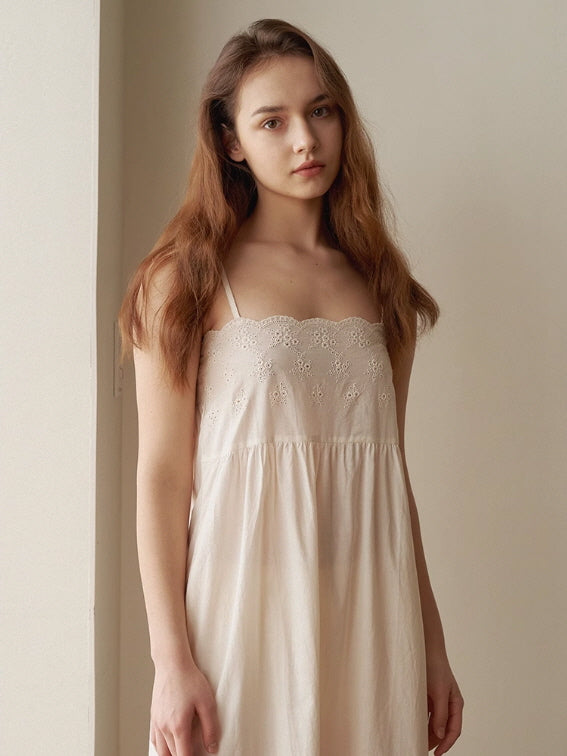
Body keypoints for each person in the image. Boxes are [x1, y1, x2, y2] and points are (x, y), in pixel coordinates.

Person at [119, 17, 464, 756]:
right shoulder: (184, 279)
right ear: (231, 142)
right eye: (272, 121)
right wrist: (170, 663)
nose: (305, 140)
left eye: (320, 111)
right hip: (239, 614)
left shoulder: (381, 285)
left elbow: (389, 475)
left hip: (367, 614)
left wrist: (431, 645)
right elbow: (162, 478)